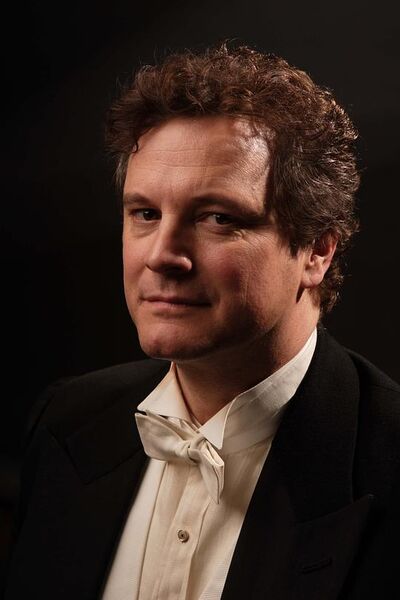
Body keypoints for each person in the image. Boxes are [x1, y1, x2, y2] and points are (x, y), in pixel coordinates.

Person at [4, 44, 400, 600]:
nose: (162, 255)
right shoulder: (64, 422)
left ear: (316, 250)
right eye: (145, 214)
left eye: (217, 218)